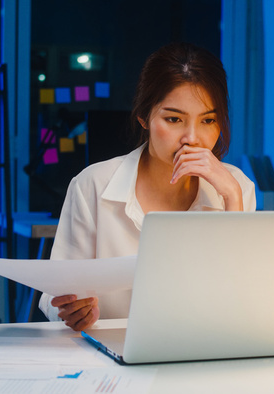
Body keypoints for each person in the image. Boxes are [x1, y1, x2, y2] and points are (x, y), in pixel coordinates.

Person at [39, 42, 257, 331]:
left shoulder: (235, 186)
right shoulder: (92, 184)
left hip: (201, 354)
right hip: (108, 356)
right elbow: (56, 293)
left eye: (208, 120)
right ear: (144, 116)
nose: (192, 138)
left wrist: (232, 198)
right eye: (174, 119)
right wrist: (71, 310)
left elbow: (244, 302)